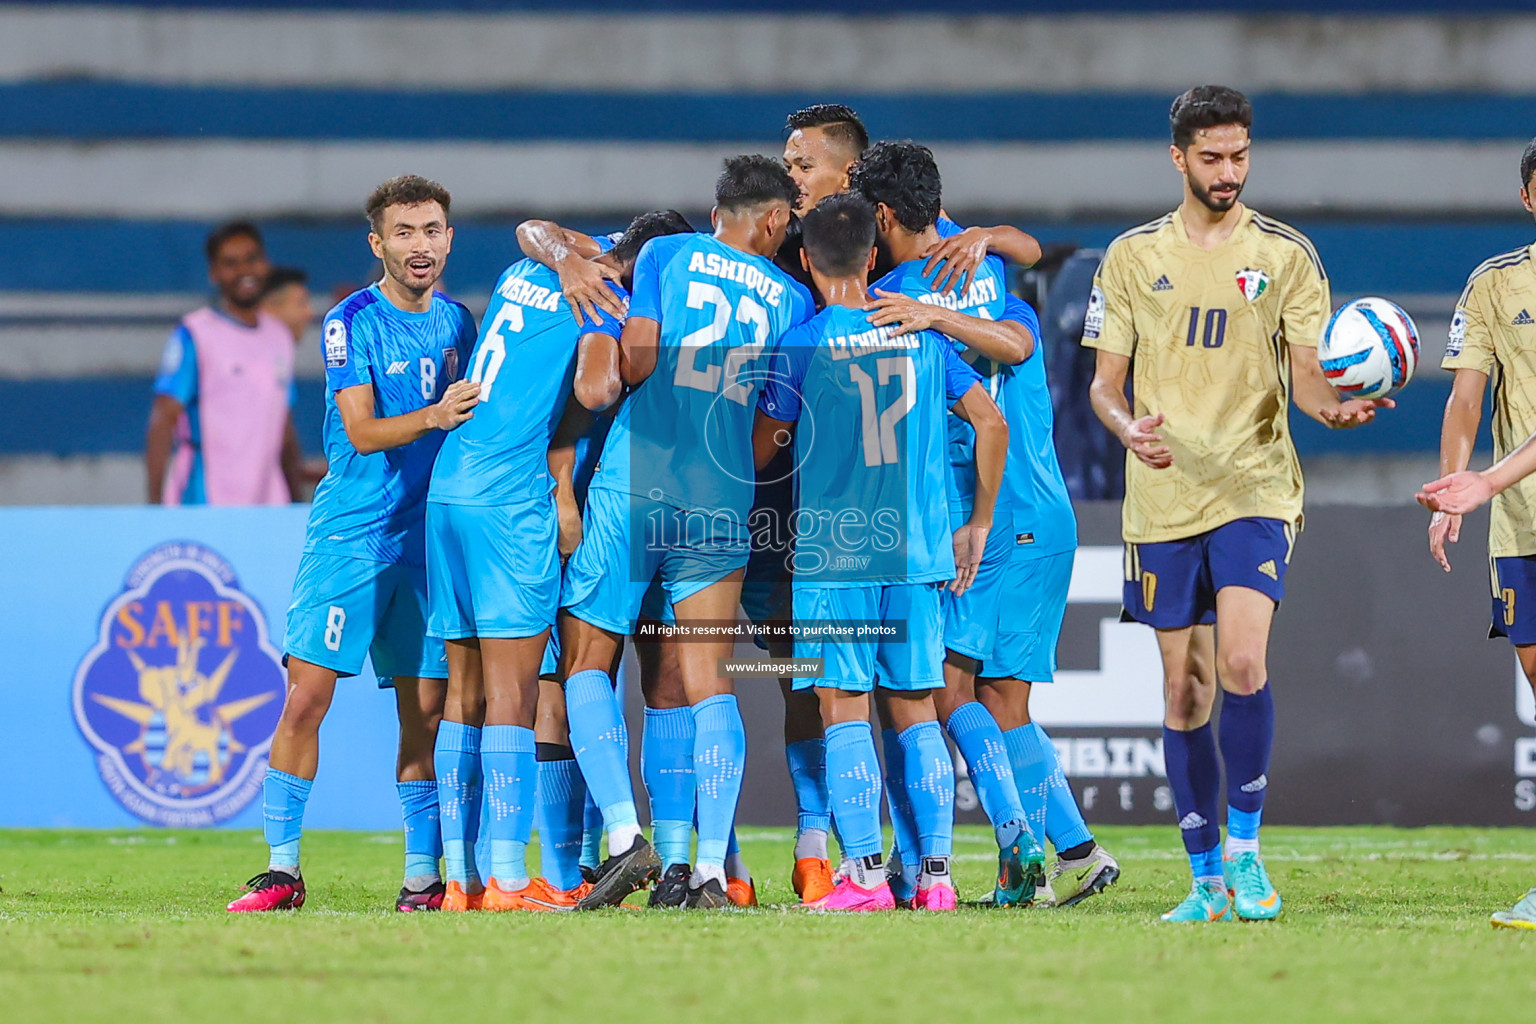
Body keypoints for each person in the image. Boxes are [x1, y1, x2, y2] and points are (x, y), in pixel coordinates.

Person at [1084, 86, 1389, 923]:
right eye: (1212, 158)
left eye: (1240, 155)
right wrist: (1127, 430)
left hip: (1255, 484)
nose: (1229, 172)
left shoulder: (1286, 254)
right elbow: (1104, 388)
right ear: (1178, 157)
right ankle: (1205, 879)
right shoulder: (1130, 256)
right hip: (1162, 496)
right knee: (1184, 694)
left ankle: (1249, 856)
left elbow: (1308, 381)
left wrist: (1338, 408)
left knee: (1243, 664)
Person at [560, 155, 813, 910]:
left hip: (640, 479)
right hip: (722, 496)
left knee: (585, 659)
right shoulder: (795, 301)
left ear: (719, 212)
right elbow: (776, 425)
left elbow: (633, 363)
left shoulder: (668, 254)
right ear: (772, 219)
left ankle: (620, 836)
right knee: (708, 683)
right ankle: (701, 869)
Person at [426, 211, 693, 912]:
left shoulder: (530, 267)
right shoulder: (611, 297)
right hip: (510, 502)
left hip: (449, 487)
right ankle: (512, 879)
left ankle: (461, 880)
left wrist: (566, 252)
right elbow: (596, 391)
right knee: (516, 696)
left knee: (462, 694)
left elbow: (532, 227)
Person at [227, 176, 480, 913]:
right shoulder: (349, 321)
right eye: (403, 232)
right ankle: (281, 871)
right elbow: (364, 432)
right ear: (378, 244)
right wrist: (435, 416)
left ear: (449, 239)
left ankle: (423, 878)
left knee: (425, 712)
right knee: (305, 699)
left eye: (431, 230)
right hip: (352, 536)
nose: (420, 245)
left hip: (426, 542)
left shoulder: (461, 324)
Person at [754, 193, 1007, 911]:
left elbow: (763, 449)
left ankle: (863, 875)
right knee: (916, 711)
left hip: (837, 556)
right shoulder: (920, 331)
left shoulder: (801, 342)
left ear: (805, 260)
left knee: (843, 709)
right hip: (920, 553)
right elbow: (989, 421)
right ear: (873, 257)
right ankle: (935, 879)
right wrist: (977, 522)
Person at [851, 140, 1050, 907]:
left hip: (942, 513)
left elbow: (1011, 356)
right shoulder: (981, 266)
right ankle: (989, 850)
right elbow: (1023, 305)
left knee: (931, 697)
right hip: (990, 507)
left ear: (881, 216)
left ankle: (1008, 837)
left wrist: (928, 313)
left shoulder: (897, 291)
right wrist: (990, 238)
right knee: (942, 691)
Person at [1419, 135, 1536, 932]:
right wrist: (1454, 489)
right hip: (1522, 529)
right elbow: (1466, 397)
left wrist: (1487, 480)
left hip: (1508, 494)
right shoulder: (1496, 286)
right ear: (1530, 198)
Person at [146, 221, 304, 506]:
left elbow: (285, 428)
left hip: (269, 507)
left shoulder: (279, 336)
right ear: (214, 273)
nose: (244, 270)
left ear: (265, 263)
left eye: (252, 259)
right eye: (230, 263)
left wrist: (296, 503)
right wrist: (154, 510)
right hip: (204, 504)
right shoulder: (195, 334)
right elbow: (163, 420)